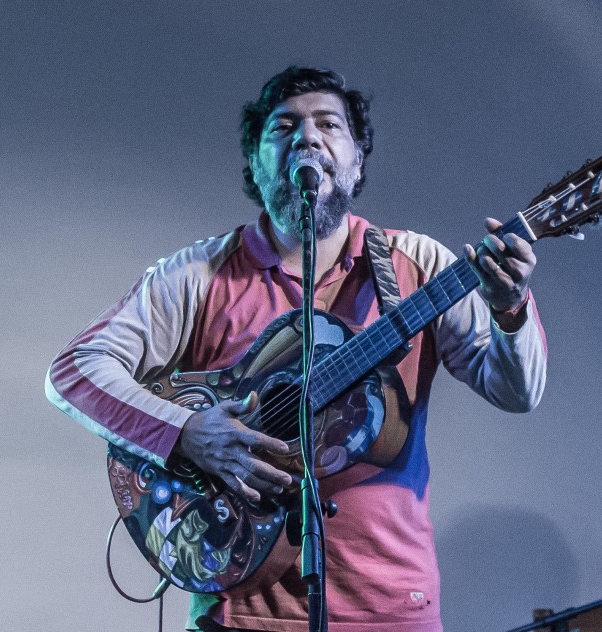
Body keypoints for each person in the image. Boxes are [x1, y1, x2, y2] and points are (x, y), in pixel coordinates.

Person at [45, 66, 547, 632]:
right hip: (240, 614)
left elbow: (516, 391)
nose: (307, 137)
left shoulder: (419, 264)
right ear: (254, 163)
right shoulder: (198, 275)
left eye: (328, 124)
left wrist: (511, 308)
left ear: (357, 161)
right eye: (284, 126)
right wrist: (185, 433)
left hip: (391, 609)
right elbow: (75, 371)